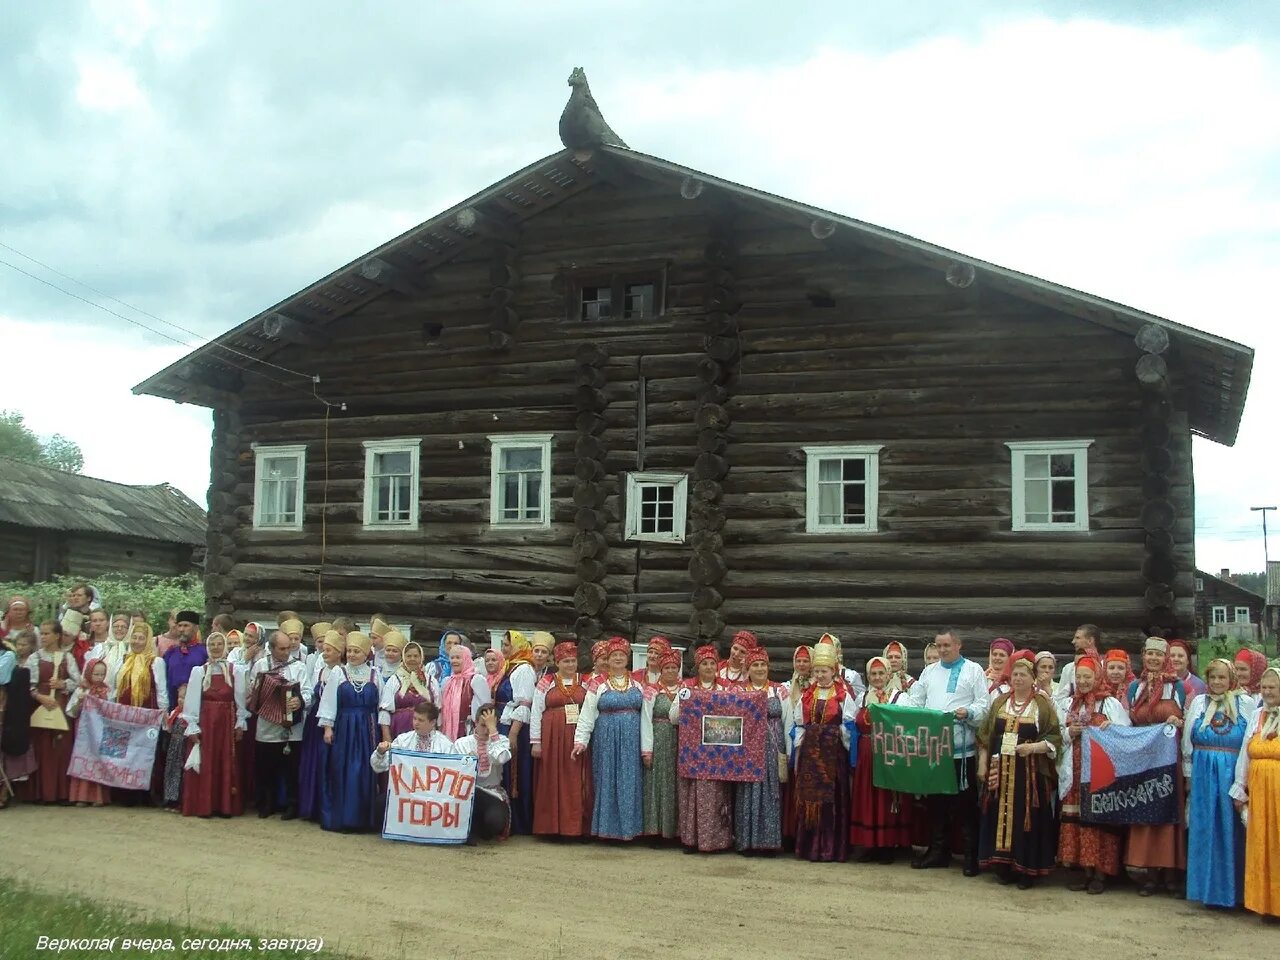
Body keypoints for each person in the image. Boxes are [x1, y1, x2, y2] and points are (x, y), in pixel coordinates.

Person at [906, 628, 988, 875]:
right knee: (936, 804)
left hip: (962, 752)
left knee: (965, 805)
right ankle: (937, 852)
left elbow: (984, 704)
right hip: (934, 749)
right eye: (938, 646)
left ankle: (971, 856)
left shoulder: (974, 670)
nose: (942, 650)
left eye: (946, 645)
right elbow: (915, 701)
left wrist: (969, 712)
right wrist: (893, 711)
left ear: (958, 645)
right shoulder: (929, 671)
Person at [977, 650, 1062, 889]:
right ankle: (1003, 865)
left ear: (1033, 677)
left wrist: (1033, 748)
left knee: (1028, 818)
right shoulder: (1000, 702)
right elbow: (985, 734)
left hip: (1030, 775)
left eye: (1023, 674)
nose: (1018, 678)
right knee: (999, 816)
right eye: (1015, 674)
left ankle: (1027, 868)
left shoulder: (1041, 705)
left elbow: (1055, 738)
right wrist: (983, 764)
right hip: (1000, 771)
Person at [1183, 657, 1255, 909]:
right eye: (1212, 677)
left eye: (1222, 677)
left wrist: (1242, 781)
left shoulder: (1245, 703)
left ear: (1231, 679)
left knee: (1231, 828)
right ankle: (1208, 891)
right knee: (1206, 828)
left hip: (1230, 773)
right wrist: (1188, 774)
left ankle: (1235, 893)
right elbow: (1187, 742)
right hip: (1204, 775)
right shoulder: (1199, 703)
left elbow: (1248, 741)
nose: (1216, 682)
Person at [1055, 654, 1129, 894]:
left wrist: (1111, 728)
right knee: (1077, 821)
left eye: (1088, 676)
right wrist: (1069, 732)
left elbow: (1124, 735)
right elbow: (1056, 735)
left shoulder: (1109, 704)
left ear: (1097, 676)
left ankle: (1100, 873)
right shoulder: (1068, 704)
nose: (1084, 681)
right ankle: (1085, 871)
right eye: (1079, 677)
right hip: (1075, 773)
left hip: (1100, 774)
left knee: (1098, 822)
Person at [1125, 637, 1187, 896]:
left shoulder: (1177, 688)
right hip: (1143, 759)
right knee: (1146, 813)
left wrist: (1177, 720)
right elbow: (1128, 724)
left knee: (1168, 814)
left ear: (1166, 659)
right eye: (1149, 654)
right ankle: (1149, 874)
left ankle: (1170, 874)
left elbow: (1185, 720)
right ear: (1143, 656)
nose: (1153, 659)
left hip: (1168, 757)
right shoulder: (1135, 688)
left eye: (1158, 655)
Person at [572, 636, 649, 841]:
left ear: (628, 658)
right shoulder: (598, 684)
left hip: (632, 741)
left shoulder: (639, 683)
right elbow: (587, 714)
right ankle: (606, 830)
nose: (617, 658)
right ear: (608, 658)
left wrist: (647, 746)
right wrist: (580, 741)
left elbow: (647, 715)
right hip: (605, 741)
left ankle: (629, 830)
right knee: (607, 779)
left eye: (621, 655)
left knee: (630, 780)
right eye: (614, 655)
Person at [791, 637, 856, 862]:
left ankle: (830, 847)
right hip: (810, 755)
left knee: (832, 801)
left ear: (833, 671)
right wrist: (798, 751)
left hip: (833, 756)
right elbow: (800, 723)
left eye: (824, 671)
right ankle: (810, 847)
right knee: (810, 800)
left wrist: (839, 739)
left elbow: (849, 723)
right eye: (817, 671)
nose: (820, 675)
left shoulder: (842, 695)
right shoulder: (807, 695)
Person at [849, 656, 912, 863]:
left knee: (887, 799)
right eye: (873, 674)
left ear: (888, 674)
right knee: (868, 797)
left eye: (881, 673)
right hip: (867, 754)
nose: (877, 677)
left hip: (889, 754)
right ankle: (870, 844)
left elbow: (907, 726)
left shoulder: (899, 698)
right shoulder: (862, 698)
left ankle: (887, 845)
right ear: (868, 676)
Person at [318, 631, 381, 832]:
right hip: (345, 728)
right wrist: (328, 727)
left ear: (365, 654)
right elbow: (328, 702)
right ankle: (344, 818)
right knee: (344, 769)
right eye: (350, 651)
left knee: (364, 770)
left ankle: (364, 819)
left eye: (357, 651)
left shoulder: (375, 674)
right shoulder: (339, 672)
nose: (352, 655)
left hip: (368, 728)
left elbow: (381, 705)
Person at [1231, 666, 1280, 921]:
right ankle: (1267, 905)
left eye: (1273, 687)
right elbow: (1244, 754)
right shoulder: (1257, 715)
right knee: (1262, 844)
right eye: (1265, 687)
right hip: (1260, 792)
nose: (1268, 691)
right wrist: (1240, 788)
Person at [676, 644, 736, 853]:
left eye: (712, 663)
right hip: (694, 752)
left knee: (717, 795)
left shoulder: (726, 688)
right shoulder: (687, 688)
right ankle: (692, 840)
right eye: (705, 664)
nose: (709, 667)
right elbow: (674, 716)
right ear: (698, 667)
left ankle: (717, 841)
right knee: (693, 795)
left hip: (718, 752)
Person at [180, 632, 246, 818]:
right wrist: (192, 725)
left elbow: (240, 700)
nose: (216, 647)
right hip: (207, 722)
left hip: (227, 722)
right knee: (207, 760)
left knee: (225, 759)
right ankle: (205, 805)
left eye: (219, 644)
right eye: (212, 644)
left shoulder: (235, 671)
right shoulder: (199, 671)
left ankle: (224, 805)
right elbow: (192, 701)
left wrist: (240, 723)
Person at [531, 640, 592, 838]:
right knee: (552, 777)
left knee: (577, 779)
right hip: (552, 738)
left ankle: (576, 827)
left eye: (573, 661)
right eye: (565, 661)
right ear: (558, 662)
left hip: (577, 735)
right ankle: (551, 827)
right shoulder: (546, 681)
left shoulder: (585, 681)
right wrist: (536, 742)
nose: (570, 665)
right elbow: (536, 711)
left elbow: (591, 708)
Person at [248, 631, 311, 819]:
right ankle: (267, 803)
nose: (286, 652)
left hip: (292, 727)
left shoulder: (298, 667)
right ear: (271, 648)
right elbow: (252, 691)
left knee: (292, 769)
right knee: (266, 767)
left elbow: (308, 692)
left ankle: (292, 805)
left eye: (288, 648)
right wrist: (258, 693)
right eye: (282, 649)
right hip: (267, 727)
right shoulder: (261, 666)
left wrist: (299, 701)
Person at [734, 646, 785, 855]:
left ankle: (769, 842)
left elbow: (787, 718)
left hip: (773, 745)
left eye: (763, 664)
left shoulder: (779, 690)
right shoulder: (738, 691)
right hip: (748, 747)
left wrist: (787, 750)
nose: (760, 668)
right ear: (748, 668)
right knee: (748, 791)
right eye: (755, 665)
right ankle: (747, 841)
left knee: (771, 791)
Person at [114, 621, 168, 805]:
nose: (137, 642)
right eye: (134, 638)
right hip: (125, 714)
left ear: (148, 641)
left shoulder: (156, 661)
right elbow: (116, 687)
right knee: (125, 753)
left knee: (145, 754)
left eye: (141, 638)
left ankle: (146, 794)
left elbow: (161, 690)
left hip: (147, 715)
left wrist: (163, 714)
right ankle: (125, 793)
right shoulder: (124, 659)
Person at [28, 621, 79, 803]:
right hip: (41, 707)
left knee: (61, 749)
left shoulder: (67, 658)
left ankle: (60, 793)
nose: (43, 637)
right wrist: (40, 698)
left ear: (57, 635)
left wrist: (63, 684)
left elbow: (78, 682)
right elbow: (29, 685)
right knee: (41, 749)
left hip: (61, 707)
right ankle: (40, 793)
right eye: (41, 634)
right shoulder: (34, 658)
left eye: (47, 634)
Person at [298, 630, 344, 822]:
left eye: (329, 650)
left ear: (339, 652)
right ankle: (310, 804)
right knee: (312, 761)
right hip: (314, 720)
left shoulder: (342, 672)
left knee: (327, 761)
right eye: (323, 650)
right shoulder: (321, 670)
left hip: (333, 718)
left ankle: (325, 806)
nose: (325, 653)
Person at [495, 630, 537, 834]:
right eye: (503, 644)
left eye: (507, 645)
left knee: (516, 773)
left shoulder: (524, 670)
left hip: (515, 727)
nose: (504, 648)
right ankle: (508, 820)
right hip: (505, 723)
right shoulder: (510, 666)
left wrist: (513, 733)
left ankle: (520, 822)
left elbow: (524, 704)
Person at [451, 704, 512, 841]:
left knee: (494, 822)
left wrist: (493, 731)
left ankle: (480, 830)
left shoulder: (501, 741)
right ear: (476, 723)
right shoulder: (462, 743)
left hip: (492, 793)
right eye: (483, 725)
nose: (486, 731)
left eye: (490, 726)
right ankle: (468, 830)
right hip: (467, 794)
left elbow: (502, 758)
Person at [642, 648, 681, 841]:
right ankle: (656, 831)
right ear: (661, 669)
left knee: (676, 783)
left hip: (680, 742)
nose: (671, 671)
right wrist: (647, 750)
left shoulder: (685, 690)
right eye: (667, 668)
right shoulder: (651, 691)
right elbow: (646, 719)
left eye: (674, 667)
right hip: (658, 738)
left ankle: (674, 831)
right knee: (657, 783)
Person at [66, 658, 112, 807]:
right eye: (96, 674)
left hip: (100, 732)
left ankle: (98, 796)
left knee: (98, 761)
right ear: (88, 673)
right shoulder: (81, 690)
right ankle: (81, 796)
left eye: (102, 674)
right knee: (83, 761)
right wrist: (80, 702)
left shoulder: (107, 691)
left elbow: (112, 712)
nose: (99, 678)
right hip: (83, 733)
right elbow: (72, 712)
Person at [1, 631, 37, 808]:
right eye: (19, 644)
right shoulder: (9, 657)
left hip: (16, 709)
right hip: (8, 707)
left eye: (25, 644)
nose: (21, 647)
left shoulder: (12, 656)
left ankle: (5, 791)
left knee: (10, 749)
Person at [781, 645, 812, 845]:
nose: (801, 664)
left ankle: (806, 836)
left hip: (810, 744)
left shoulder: (818, 686)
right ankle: (791, 834)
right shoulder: (785, 687)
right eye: (798, 661)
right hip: (789, 740)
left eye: (805, 661)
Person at [381, 640, 438, 743]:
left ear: (421, 658)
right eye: (409, 656)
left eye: (416, 656)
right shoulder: (395, 680)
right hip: (399, 728)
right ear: (403, 657)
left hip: (425, 729)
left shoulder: (430, 681)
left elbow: (438, 708)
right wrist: (386, 736)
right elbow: (385, 710)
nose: (412, 659)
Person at [439, 642, 491, 740]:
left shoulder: (476, 680)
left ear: (466, 659)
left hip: (469, 731)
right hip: (447, 731)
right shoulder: (447, 682)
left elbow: (485, 707)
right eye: (452, 657)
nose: (454, 661)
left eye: (458, 658)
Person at [162, 611, 207, 711]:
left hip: (198, 708)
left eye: (186, 626)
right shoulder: (170, 652)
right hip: (172, 708)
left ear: (196, 628)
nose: (182, 629)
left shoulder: (204, 652)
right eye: (179, 625)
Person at [1056, 624, 1102, 702]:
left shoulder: (1105, 666)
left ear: (1090, 640)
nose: (1073, 641)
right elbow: (1060, 698)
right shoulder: (1069, 668)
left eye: (1077, 638)